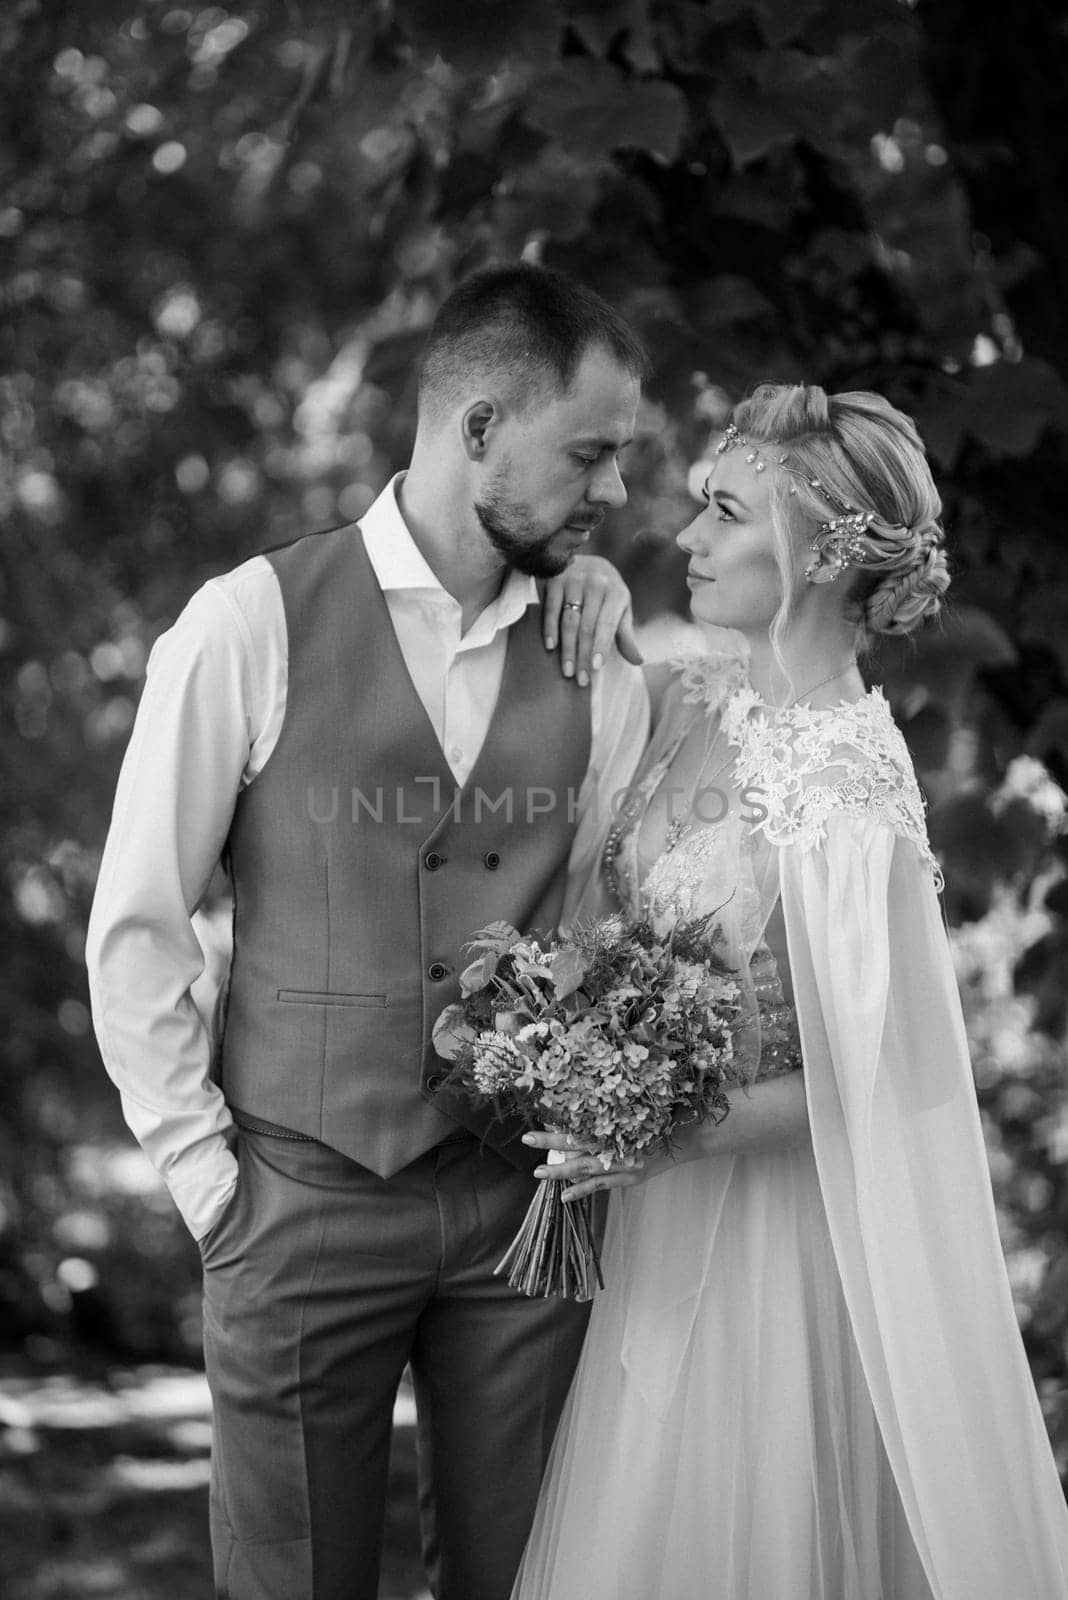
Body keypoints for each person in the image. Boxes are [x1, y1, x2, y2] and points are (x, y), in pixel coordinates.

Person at [85, 263, 652, 1600]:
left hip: (526, 1222)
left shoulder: (597, 663)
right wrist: (211, 1188)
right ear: (475, 432)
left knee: (528, 1580)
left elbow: (620, 920)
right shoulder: (246, 626)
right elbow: (139, 923)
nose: (618, 491)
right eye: (591, 453)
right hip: (298, 1202)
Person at [515, 383, 1068, 1600]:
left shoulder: (853, 780)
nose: (689, 539)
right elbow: (580, 669)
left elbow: (891, 1083)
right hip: (654, 1234)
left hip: (773, 1247)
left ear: (817, 554)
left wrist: (661, 1132)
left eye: (724, 515)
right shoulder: (693, 698)